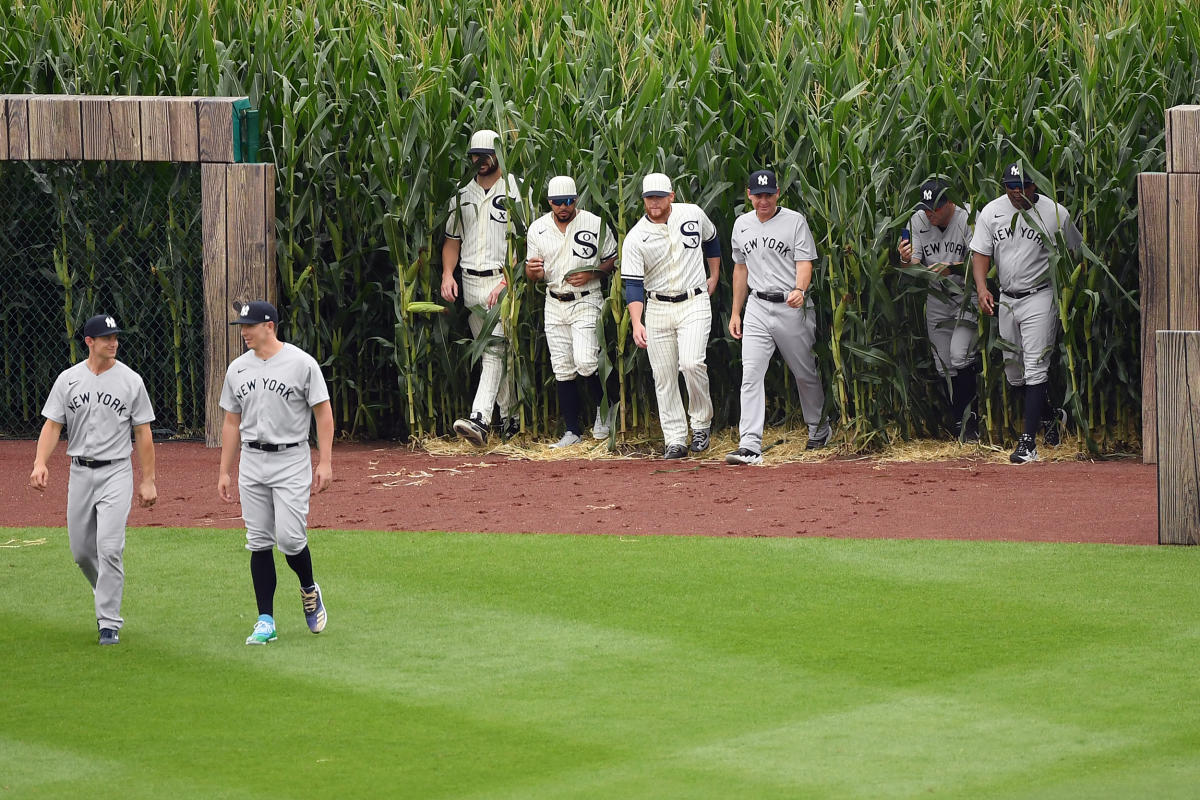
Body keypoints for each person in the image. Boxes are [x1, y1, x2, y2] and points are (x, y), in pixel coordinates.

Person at [29, 314, 156, 645]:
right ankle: (107, 594)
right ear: (89, 342)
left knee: (110, 548)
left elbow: (143, 432)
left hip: (116, 471)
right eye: (106, 338)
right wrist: (40, 462)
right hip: (80, 472)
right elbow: (53, 425)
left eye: (115, 337)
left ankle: (109, 622)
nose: (113, 342)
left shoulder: (131, 381)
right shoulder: (68, 379)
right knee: (82, 552)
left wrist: (148, 480)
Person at [218, 300, 333, 645]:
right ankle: (265, 619)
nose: (244, 333)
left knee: (291, 539)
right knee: (258, 541)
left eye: (249, 326)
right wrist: (224, 470)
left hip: (290, 459)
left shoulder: (300, 364)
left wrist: (325, 461)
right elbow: (231, 421)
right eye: (242, 327)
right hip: (252, 461)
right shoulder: (237, 369)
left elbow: (323, 413)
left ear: (269, 325)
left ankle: (309, 589)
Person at [488, 175, 619, 447]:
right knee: (562, 368)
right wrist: (531, 272)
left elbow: (612, 259)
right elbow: (531, 271)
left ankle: (606, 411)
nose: (564, 207)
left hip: (586, 298)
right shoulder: (538, 229)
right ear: (549, 202)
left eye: (569, 202)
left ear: (576, 200)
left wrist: (593, 272)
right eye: (558, 202)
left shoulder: (595, 223)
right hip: (554, 300)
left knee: (586, 360)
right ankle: (572, 430)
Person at [971, 162, 1082, 464]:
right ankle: (1052, 416)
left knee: (1035, 366)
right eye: (1010, 187)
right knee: (1014, 373)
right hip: (1007, 298)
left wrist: (1066, 294)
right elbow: (980, 252)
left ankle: (1027, 443)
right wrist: (982, 288)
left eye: (1021, 188)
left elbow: (1076, 253)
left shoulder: (1055, 213)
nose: (1015, 194)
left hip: (1040, 295)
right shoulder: (992, 212)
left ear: (1035, 186)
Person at [726, 170, 833, 465]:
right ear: (749, 194)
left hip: (790, 305)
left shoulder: (794, 221)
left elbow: (805, 262)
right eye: (758, 195)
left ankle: (819, 428)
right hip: (757, 306)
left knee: (804, 372)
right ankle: (749, 444)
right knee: (751, 374)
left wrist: (800, 288)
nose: (763, 201)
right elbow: (740, 270)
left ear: (778, 193)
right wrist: (737, 311)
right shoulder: (741, 224)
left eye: (769, 195)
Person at [621, 173, 721, 459]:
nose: (654, 203)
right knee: (663, 375)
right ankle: (675, 439)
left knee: (691, 364)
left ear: (671, 196)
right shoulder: (636, 237)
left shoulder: (692, 214)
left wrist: (714, 274)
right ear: (643, 200)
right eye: (649, 198)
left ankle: (701, 424)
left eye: (659, 197)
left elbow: (711, 240)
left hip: (694, 300)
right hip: (658, 306)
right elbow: (633, 285)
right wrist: (637, 322)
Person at [441, 128, 525, 445]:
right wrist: (447, 275)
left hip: (500, 279)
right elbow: (452, 240)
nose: (480, 161)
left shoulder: (515, 191)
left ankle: (479, 419)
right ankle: (510, 420)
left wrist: (507, 281)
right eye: (475, 155)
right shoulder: (462, 195)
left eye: (486, 155)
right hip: (470, 280)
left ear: (499, 155)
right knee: (493, 351)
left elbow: (524, 242)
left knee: (493, 349)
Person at [898, 179, 981, 442]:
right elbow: (914, 264)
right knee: (944, 364)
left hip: (966, 297)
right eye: (925, 208)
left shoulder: (968, 217)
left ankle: (970, 421)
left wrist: (953, 267)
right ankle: (960, 421)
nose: (928, 213)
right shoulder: (918, 220)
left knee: (960, 355)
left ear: (950, 203)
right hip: (936, 298)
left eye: (934, 208)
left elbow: (981, 258)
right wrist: (904, 257)